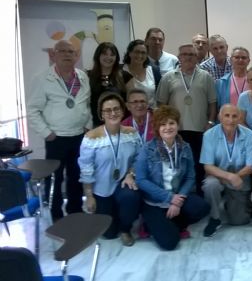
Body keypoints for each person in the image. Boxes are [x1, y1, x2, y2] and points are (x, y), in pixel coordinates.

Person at [27, 40, 92, 221]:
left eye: (70, 52)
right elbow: (33, 110)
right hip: (56, 138)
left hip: (79, 135)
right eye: (62, 51)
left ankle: (75, 210)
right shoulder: (42, 79)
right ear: (53, 55)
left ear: (76, 56)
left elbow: (85, 104)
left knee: (76, 176)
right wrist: (47, 133)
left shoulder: (82, 77)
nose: (66, 54)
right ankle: (56, 214)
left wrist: (88, 125)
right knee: (54, 179)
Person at [134, 105, 210, 250]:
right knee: (170, 243)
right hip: (154, 201)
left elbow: (190, 177)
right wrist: (169, 198)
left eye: (171, 123)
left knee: (202, 207)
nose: (167, 127)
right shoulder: (147, 148)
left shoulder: (185, 147)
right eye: (163, 124)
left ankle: (173, 222)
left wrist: (178, 199)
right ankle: (149, 224)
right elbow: (141, 180)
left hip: (177, 197)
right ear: (157, 128)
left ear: (177, 125)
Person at [78, 92, 141, 246]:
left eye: (116, 109)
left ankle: (126, 228)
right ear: (101, 114)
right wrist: (89, 196)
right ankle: (114, 217)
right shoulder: (91, 138)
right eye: (108, 110)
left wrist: (131, 174)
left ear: (122, 110)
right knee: (109, 234)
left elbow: (140, 158)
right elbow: (86, 169)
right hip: (101, 189)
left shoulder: (132, 134)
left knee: (130, 197)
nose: (113, 113)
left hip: (124, 184)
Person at [156, 44, 217, 193]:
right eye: (185, 54)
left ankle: (199, 197)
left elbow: (213, 102)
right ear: (179, 57)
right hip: (176, 131)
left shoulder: (206, 76)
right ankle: (179, 196)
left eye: (192, 54)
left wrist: (210, 122)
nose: (188, 57)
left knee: (198, 165)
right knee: (178, 165)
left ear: (197, 58)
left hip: (200, 129)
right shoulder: (168, 77)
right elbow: (161, 104)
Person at [200, 104, 252, 236]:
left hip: (241, 178)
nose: (230, 120)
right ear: (219, 117)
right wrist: (229, 177)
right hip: (218, 176)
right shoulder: (209, 135)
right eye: (226, 115)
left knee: (239, 221)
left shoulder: (249, 135)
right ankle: (214, 217)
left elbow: (251, 165)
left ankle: (231, 203)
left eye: (234, 116)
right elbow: (208, 166)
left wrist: (236, 176)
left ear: (239, 118)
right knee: (210, 185)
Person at [87, 42, 132, 127]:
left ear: (116, 58)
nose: (109, 57)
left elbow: (131, 102)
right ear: (98, 56)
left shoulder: (125, 76)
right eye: (105, 54)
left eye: (112, 55)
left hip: (120, 125)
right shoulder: (88, 76)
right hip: (95, 126)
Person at [123, 39, 161, 109]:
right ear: (129, 53)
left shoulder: (154, 70)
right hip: (130, 113)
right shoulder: (121, 71)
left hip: (152, 113)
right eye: (137, 52)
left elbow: (159, 95)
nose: (140, 55)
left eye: (143, 53)